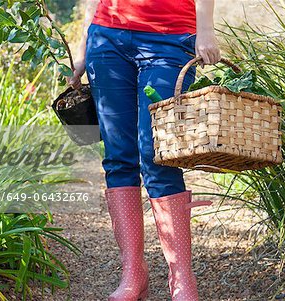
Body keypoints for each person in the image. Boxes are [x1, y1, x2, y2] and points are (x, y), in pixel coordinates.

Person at [68, 0, 220, 300]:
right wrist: (84, 46)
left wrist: (205, 29)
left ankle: (182, 278)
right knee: (118, 157)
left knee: (157, 154)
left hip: (171, 38)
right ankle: (133, 273)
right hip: (108, 37)